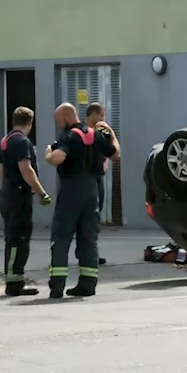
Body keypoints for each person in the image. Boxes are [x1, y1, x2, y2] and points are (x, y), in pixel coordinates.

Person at [44, 103, 119, 298]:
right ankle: (87, 285)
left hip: (71, 191)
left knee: (61, 238)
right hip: (92, 191)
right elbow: (115, 153)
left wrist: (48, 154)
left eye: (59, 120)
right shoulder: (96, 136)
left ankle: (57, 286)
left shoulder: (68, 136)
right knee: (88, 239)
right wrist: (111, 133)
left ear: (66, 118)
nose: (58, 124)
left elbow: (57, 158)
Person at [0, 106, 50, 297]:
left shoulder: (6, 140)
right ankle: (15, 282)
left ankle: (14, 278)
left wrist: (5, 189)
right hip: (19, 196)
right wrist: (41, 192)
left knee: (11, 237)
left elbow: (1, 169)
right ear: (30, 123)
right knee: (19, 239)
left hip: (7, 194)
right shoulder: (22, 142)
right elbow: (26, 169)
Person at [84, 103, 111, 266]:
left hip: (98, 178)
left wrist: (105, 162)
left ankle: (92, 252)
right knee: (87, 216)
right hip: (86, 180)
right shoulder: (81, 131)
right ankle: (87, 253)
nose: (103, 119)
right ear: (93, 114)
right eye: (101, 115)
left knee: (95, 215)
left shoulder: (100, 133)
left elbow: (107, 151)